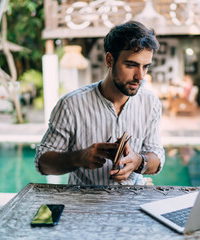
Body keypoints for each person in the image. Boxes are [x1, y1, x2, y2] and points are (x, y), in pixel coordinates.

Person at [35, 21, 165, 185]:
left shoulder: (150, 103)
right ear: (110, 60)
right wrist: (78, 158)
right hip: (84, 205)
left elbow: (157, 158)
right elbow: (43, 163)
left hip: (133, 202)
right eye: (131, 65)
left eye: (145, 67)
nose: (140, 76)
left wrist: (138, 161)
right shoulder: (71, 104)